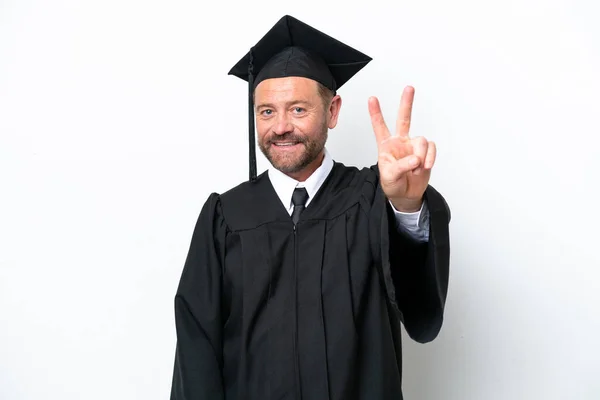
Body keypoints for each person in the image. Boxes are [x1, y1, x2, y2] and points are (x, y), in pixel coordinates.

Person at [170, 14, 451, 400]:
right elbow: (195, 350)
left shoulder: (371, 198)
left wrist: (404, 204)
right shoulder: (226, 216)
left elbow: (420, 311)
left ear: (332, 111)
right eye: (266, 111)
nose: (280, 126)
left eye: (298, 109)